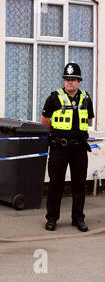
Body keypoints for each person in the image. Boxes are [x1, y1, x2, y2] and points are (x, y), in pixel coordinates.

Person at [40, 62, 94, 232]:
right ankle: (52, 219)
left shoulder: (86, 98)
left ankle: (78, 219)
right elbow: (45, 120)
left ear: (79, 81)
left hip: (79, 149)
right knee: (56, 185)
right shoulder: (53, 98)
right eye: (66, 79)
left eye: (73, 79)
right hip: (59, 149)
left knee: (79, 185)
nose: (69, 82)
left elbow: (90, 120)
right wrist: (59, 135)